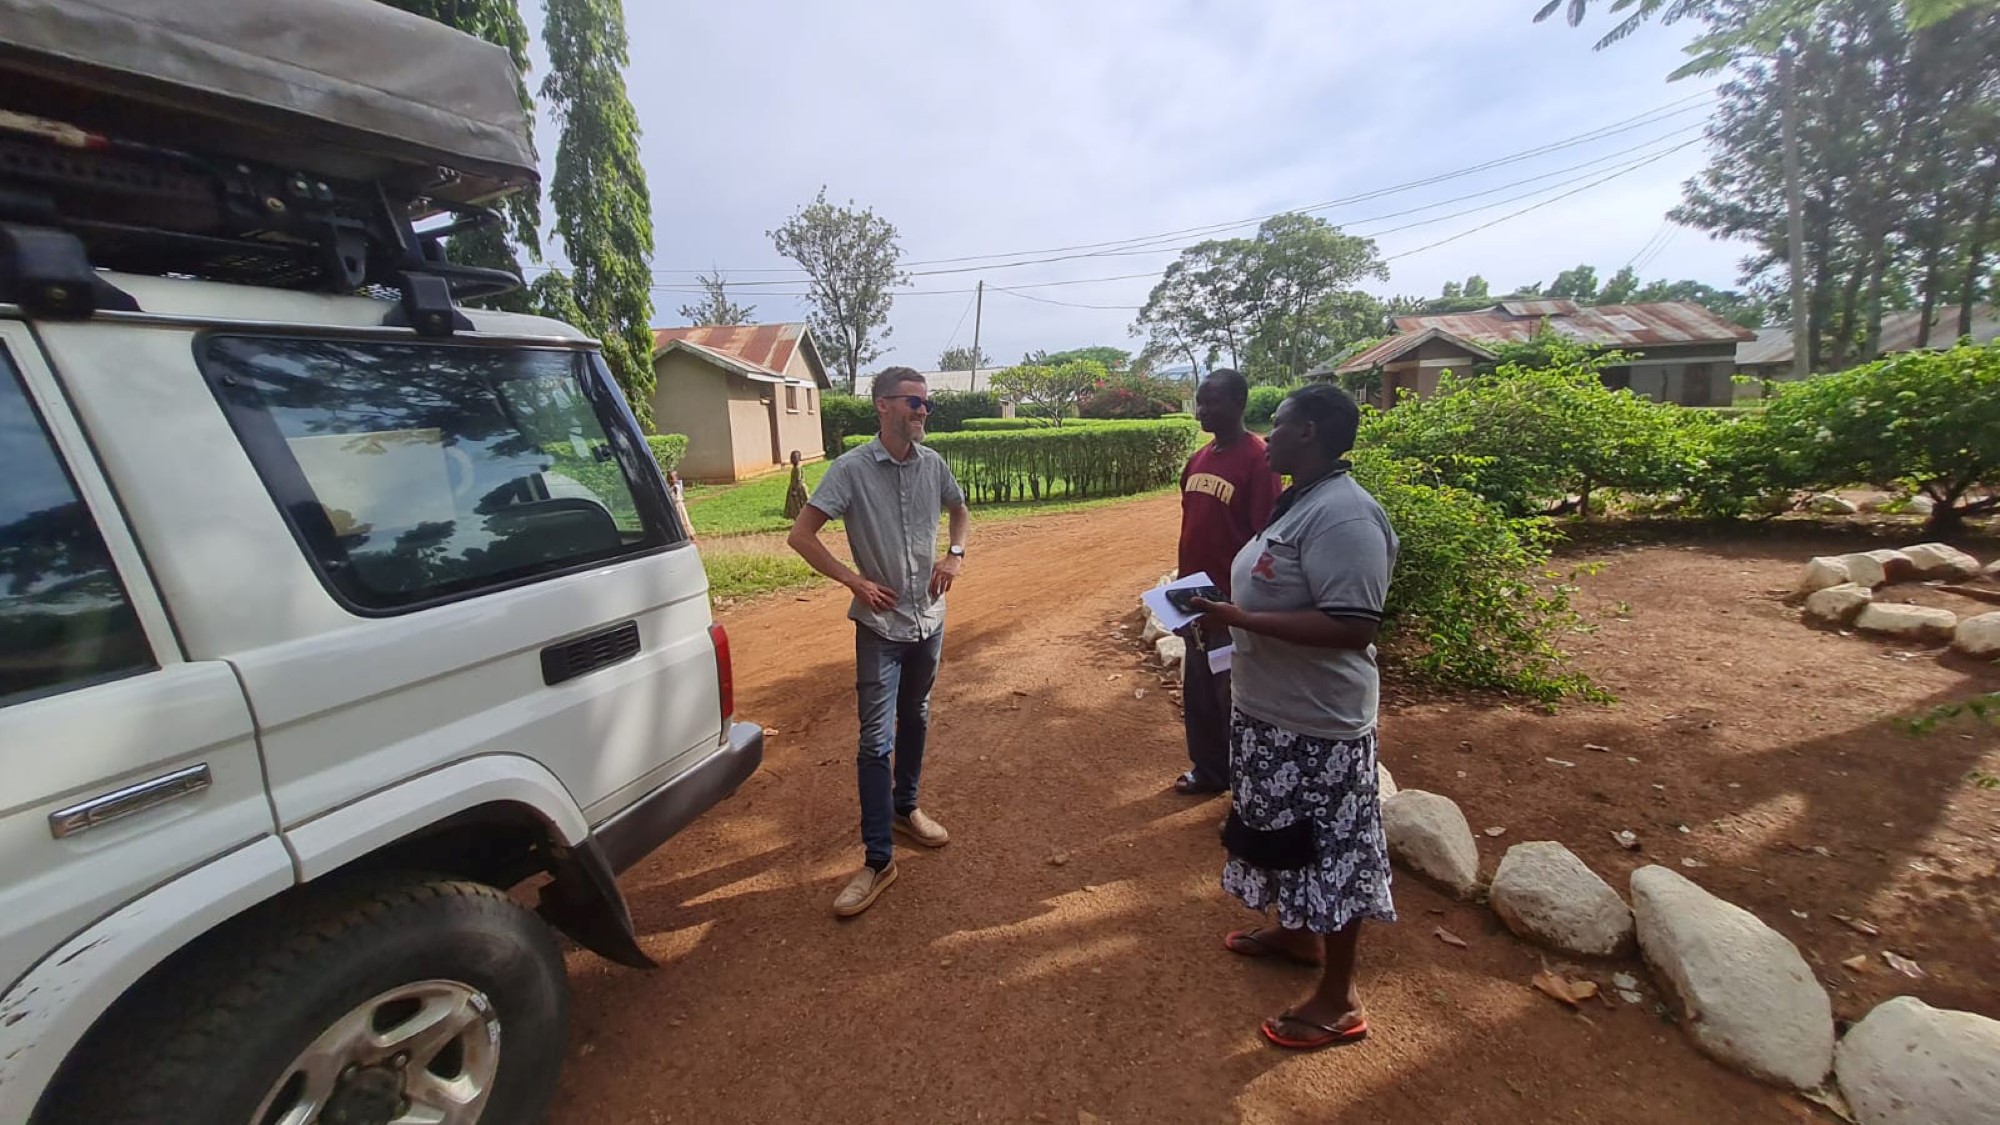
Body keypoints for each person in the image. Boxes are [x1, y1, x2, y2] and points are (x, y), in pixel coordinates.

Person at [1189, 383, 1399, 1052]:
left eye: (1279, 424)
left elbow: (1352, 624)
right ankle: (1298, 932)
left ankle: (1340, 1000)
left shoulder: (1347, 516)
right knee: (1283, 833)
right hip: (1271, 711)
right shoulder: (1302, 499)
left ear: (1308, 432)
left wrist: (1241, 618)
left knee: (1331, 850)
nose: (1267, 434)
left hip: (1319, 725)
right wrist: (1223, 609)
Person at [787, 367, 970, 917]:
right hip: (881, 629)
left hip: (928, 620)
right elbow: (801, 535)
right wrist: (853, 581)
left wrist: (954, 556)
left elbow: (959, 510)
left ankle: (904, 808)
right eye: (914, 402)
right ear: (882, 406)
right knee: (873, 741)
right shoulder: (851, 470)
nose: (922, 412)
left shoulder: (933, 463)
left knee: (915, 713)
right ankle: (878, 860)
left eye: (927, 405)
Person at [1171, 369, 1280, 796]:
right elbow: (1190, 527)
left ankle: (1245, 786)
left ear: (1239, 403)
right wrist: (1179, 594)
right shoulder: (1198, 459)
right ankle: (1209, 770)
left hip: (1231, 607)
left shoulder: (1259, 460)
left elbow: (1266, 538)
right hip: (1193, 599)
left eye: (1213, 402)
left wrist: (1240, 609)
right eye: (1200, 401)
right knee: (1198, 689)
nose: (1203, 409)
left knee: (1232, 696)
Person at [782, 448, 810, 519]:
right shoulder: (795, 468)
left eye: (794, 458)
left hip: (799, 489)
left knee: (801, 503)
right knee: (794, 505)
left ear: (799, 459)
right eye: (791, 458)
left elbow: (798, 480)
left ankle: (803, 517)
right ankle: (797, 517)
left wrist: (795, 490)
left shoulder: (798, 468)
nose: (792, 460)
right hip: (794, 488)